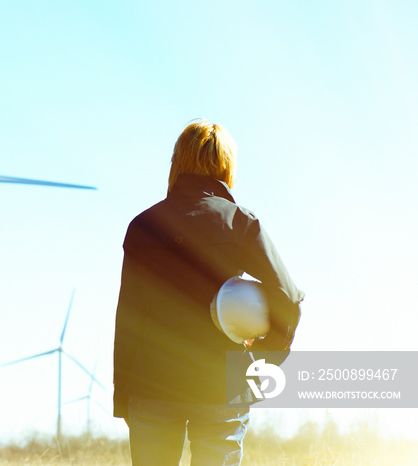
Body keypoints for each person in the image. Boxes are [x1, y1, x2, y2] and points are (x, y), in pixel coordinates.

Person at [113, 119, 303, 465]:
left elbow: (128, 316)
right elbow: (287, 297)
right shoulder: (241, 223)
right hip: (219, 382)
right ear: (226, 166)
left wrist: (122, 395)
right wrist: (264, 360)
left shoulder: (142, 227)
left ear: (177, 163)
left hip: (151, 382)